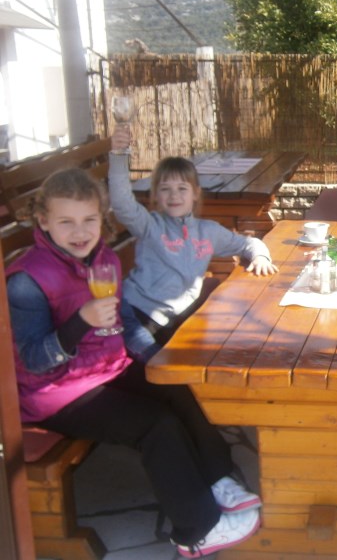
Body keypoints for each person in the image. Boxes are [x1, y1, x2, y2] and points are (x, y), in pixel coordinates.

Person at [8, 168, 262, 558]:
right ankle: (196, 530)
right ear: (44, 221)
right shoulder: (27, 281)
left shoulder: (103, 259)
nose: (80, 232)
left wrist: (156, 359)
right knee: (155, 424)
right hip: (54, 393)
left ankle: (217, 479)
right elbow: (34, 361)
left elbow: (124, 320)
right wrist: (79, 323)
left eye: (89, 219)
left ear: (102, 219)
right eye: (66, 222)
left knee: (175, 387)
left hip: (103, 368)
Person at [108, 125, 278, 363]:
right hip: (136, 312)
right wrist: (118, 156)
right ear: (155, 195)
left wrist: (260, 256)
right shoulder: (150, 226)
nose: (174, 195)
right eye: (165, 189)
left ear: (196, 193)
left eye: (182, 189)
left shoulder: (208, 231)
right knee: (157, 362)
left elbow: (247, 243)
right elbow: (121, 202)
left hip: (172, 318)